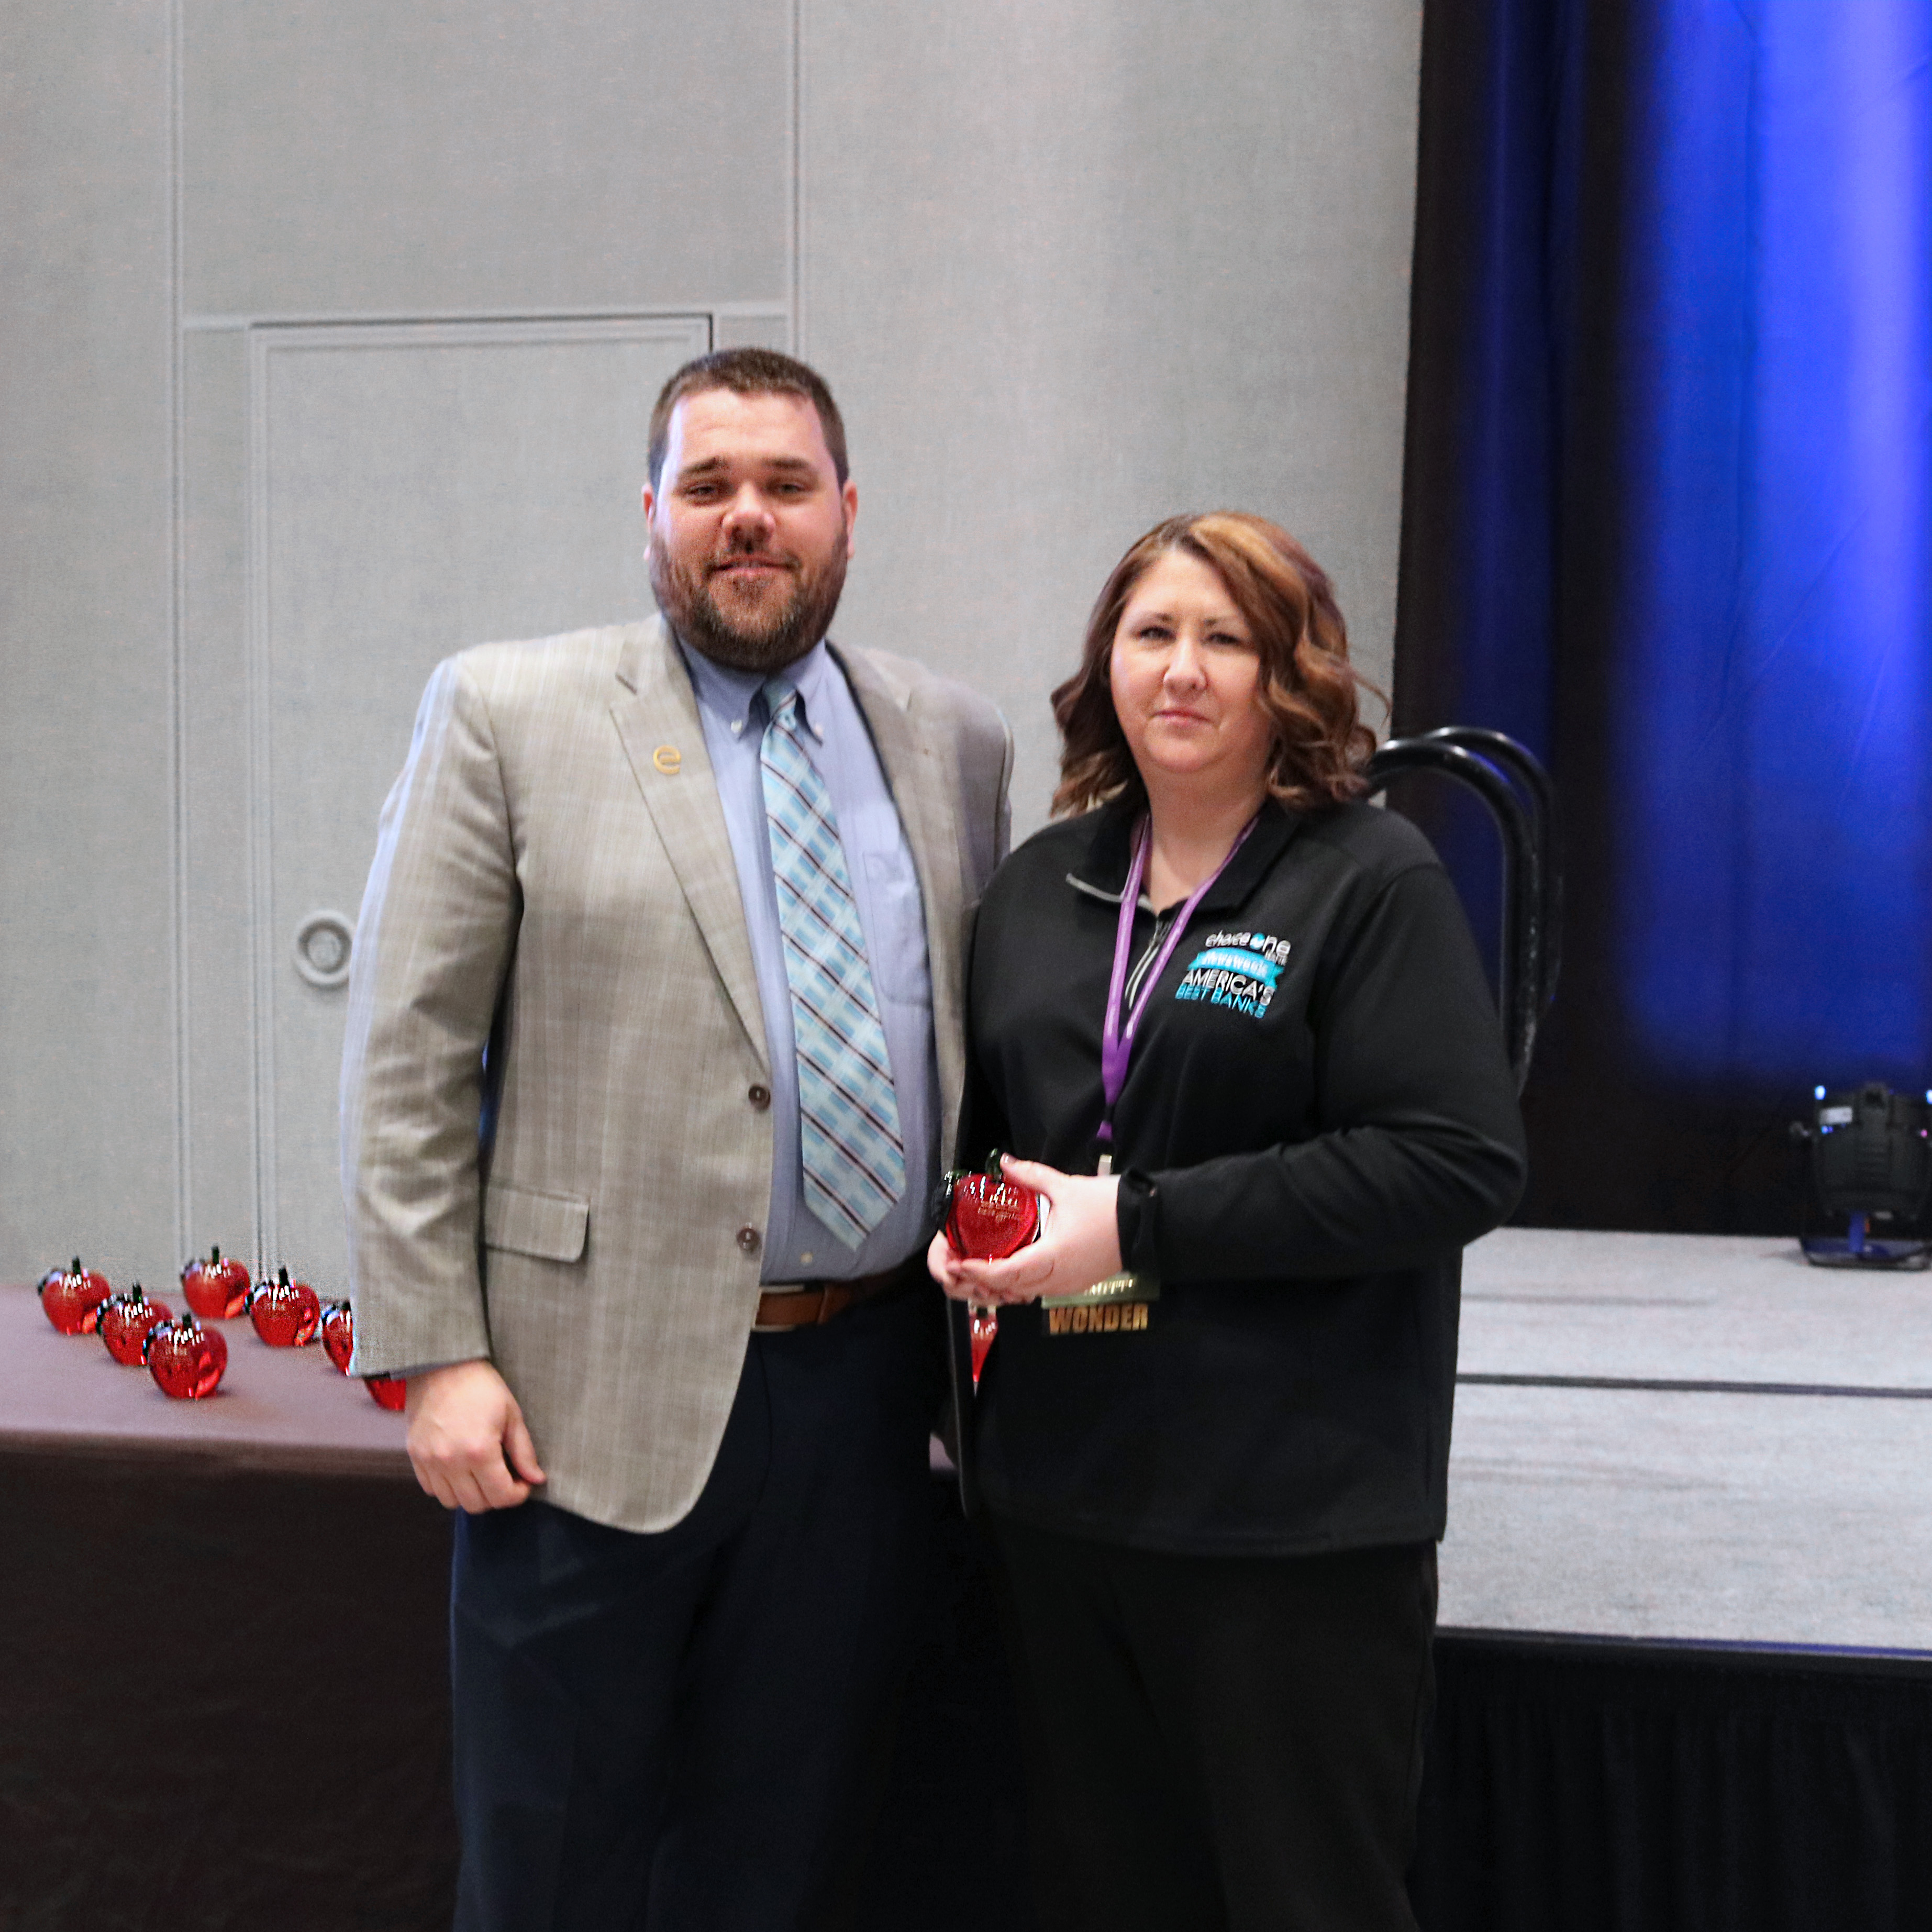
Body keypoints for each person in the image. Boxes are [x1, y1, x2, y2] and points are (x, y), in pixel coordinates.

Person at [341, 347, 1012, 1931]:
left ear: (847, 511)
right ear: (650, 516)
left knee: (774, 1860)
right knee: (551, 1862)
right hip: (579, 1398)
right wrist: (435, 1351)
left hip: (859, 1393)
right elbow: (409, 1050)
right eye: (707, 486)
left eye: (784, 484)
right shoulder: (508, 707)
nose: (748, 519)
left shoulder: (952, 739)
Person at [930, 512, 1526, 1932]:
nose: (1181, 670)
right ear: (1104, 670)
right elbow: (994, 1140)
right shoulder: (1039, 887)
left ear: (1288, 676)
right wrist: (975, 1246)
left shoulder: (1366, 879)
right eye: (1151, 634)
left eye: (1224, 638)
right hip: (1061, 1506)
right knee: (1100, 1895)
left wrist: (1135, 1224)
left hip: (1286, 1527)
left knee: (1302, 1903)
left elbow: (1454, 1161)